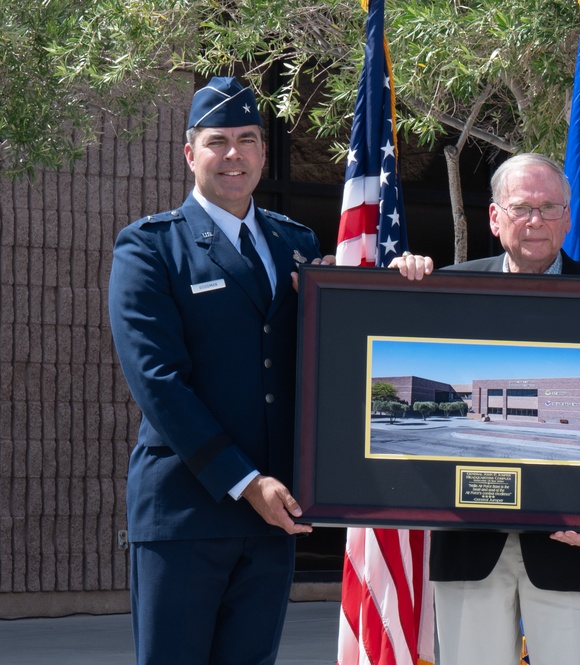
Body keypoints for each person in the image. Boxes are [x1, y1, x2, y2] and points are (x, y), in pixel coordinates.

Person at [107, 77, 435, 664]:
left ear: (263, 151)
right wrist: (245, 482)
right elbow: (158, 381)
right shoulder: (150, 248)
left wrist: (387, 283)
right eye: (218, 141)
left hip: (276, 514)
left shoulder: (296, 243)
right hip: (187, 511)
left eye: (248, 140)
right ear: (190, 153)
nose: (233, 154)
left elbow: (336, 353)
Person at [394, 153, 580, 665]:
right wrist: (388, 291)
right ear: (495, 218)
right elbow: (371, 330)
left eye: (549, 207)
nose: (535, 220)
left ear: (568, 216)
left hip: (575, 542)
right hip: (469, 545)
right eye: (521, 207)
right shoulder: (443, 290)